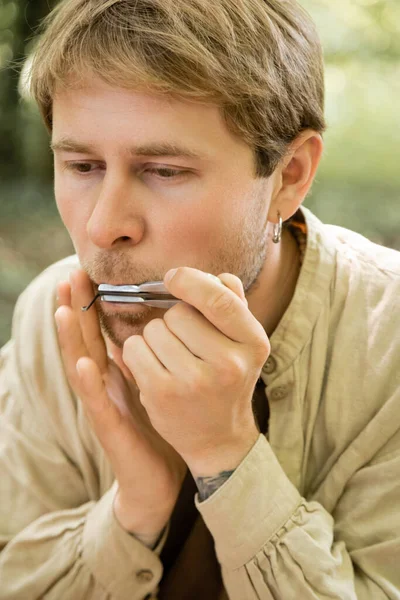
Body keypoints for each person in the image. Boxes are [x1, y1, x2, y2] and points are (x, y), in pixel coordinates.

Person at [0, 0, 399, 598]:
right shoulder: (50, 317)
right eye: (82, 165)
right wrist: (135, 507)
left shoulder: (387, 340)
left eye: (163, 170)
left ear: (288, 176)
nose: (104, 227)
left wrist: (226, 453)